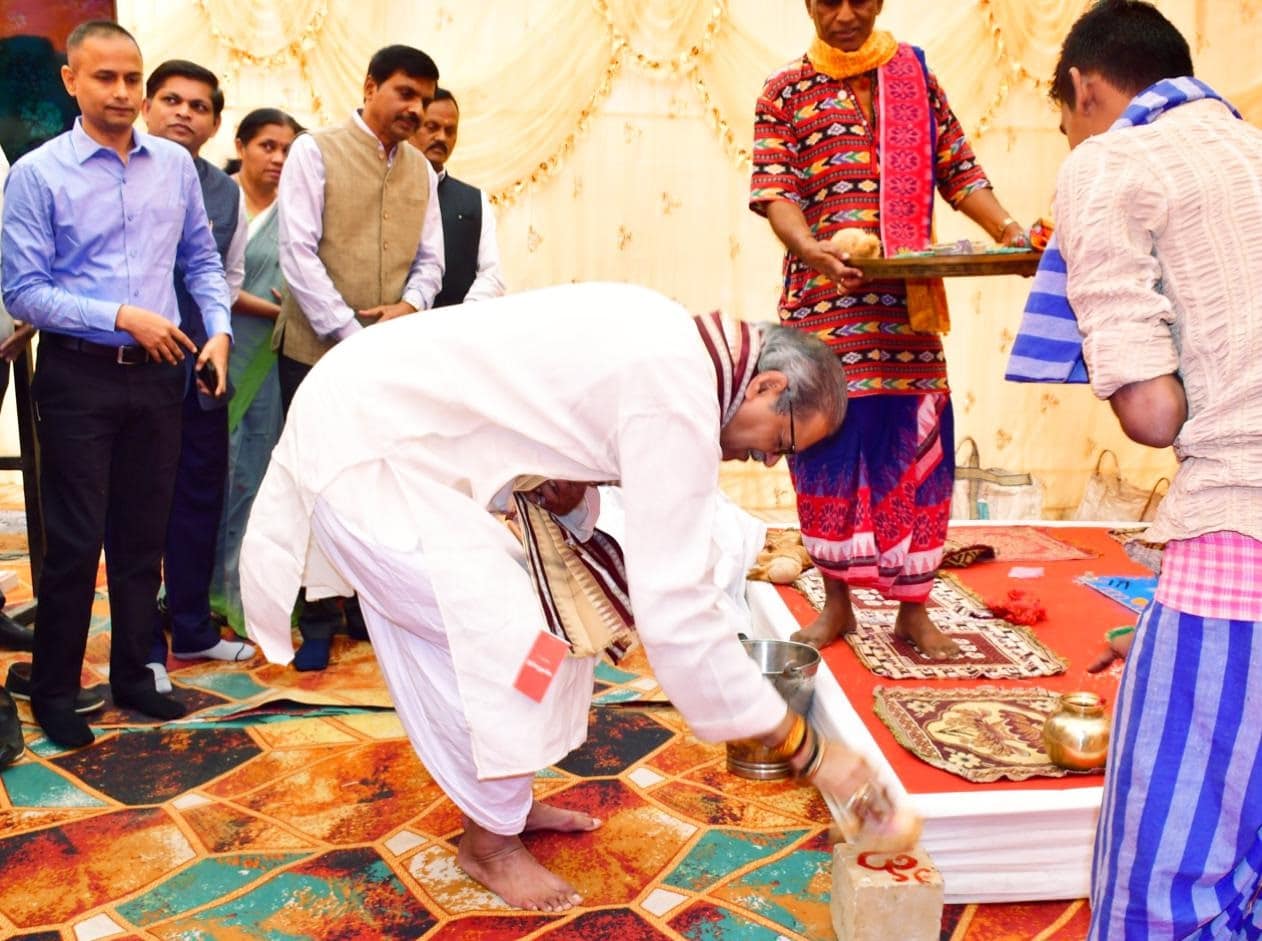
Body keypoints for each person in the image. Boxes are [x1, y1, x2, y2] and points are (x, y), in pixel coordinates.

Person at [241, 282, 921, 911]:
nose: (767, 459)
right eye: (782, 441)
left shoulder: (683, 352)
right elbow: (679, 614)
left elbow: (562, 441)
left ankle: (505, 805)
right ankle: (489, 843)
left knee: (555, 638)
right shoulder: (679, 393)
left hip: (404, 442)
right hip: (367, 447)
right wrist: (810, 751)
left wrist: (570, 492)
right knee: (511, 646)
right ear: (767, 386)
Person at [1044, 3, 1262, 938]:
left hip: (1239, 545)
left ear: (1084, 88)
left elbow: (1154, 412)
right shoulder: (1251, 150)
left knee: (1170, 874)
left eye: (1066, 119)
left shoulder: (1110, 162)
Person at [750, 0, 1027, 661]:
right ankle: (837, 603)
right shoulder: (784, 91)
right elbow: (776, 192)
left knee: (917, 450)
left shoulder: (914, 79)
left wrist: (1012, 233)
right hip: (825, 309)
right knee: (825, 450)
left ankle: (913, 609)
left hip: (908, 316)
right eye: (829, 0)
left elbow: (960, 169)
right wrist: (812, 248)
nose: (846, 14)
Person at [1, 20, 231, 748]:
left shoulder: (174, 167)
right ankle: (54, 689)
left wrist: (219, 330)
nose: (123, 92)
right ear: (71, 81)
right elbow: (24, 291)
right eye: (105, 77)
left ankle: (137, 673)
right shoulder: (38, 174)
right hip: (79, 375)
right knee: (74, 544)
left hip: (161, 377)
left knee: (142, 538)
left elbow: (202, 261)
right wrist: (122, 316)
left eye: (133, 78)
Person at [274, 43, 444, 671]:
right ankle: (317, 618)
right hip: (316, 352)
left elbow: (431, 260)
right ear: (370, 86)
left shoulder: (421, 171)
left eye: (424, 99)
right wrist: (351, 334)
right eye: (405, 93)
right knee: (319, 483)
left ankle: (366, 608)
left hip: (386, 360)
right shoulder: (314, 151)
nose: (416, 109)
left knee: (380, 483)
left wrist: (413, 304)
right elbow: (297, 254)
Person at [140, 59, 250, 692]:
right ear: (147, 107)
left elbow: (227, 275)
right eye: (172, 100)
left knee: (199, 501)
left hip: (203, 370)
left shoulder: (224, 192)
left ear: (213, 123)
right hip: (134, 370)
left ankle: (192, 627)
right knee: (137, 511)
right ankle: (141, 646)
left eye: (199, 106)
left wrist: (216, 335)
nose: (184, 113)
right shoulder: (125, 174)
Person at [209, 108, 303, 639]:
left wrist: (288, 310)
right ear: (241, 144)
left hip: (268, 362)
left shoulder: (298, 211)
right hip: (216, 352)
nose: (279, 158)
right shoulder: (217, 198)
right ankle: (196, 591)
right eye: (268, 146)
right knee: (208, 476)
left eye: (288, 149)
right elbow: (207, 280)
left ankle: (244, 595)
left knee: (255, 477)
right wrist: (272, 308)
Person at [411, 88, 505, 306]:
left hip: (460, 322)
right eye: (432, 127)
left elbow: (492, 275)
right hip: (394, 323)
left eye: (450, 130)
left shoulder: (474, 201)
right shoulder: (389, 190)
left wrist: (461, 316)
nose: (441, 137)